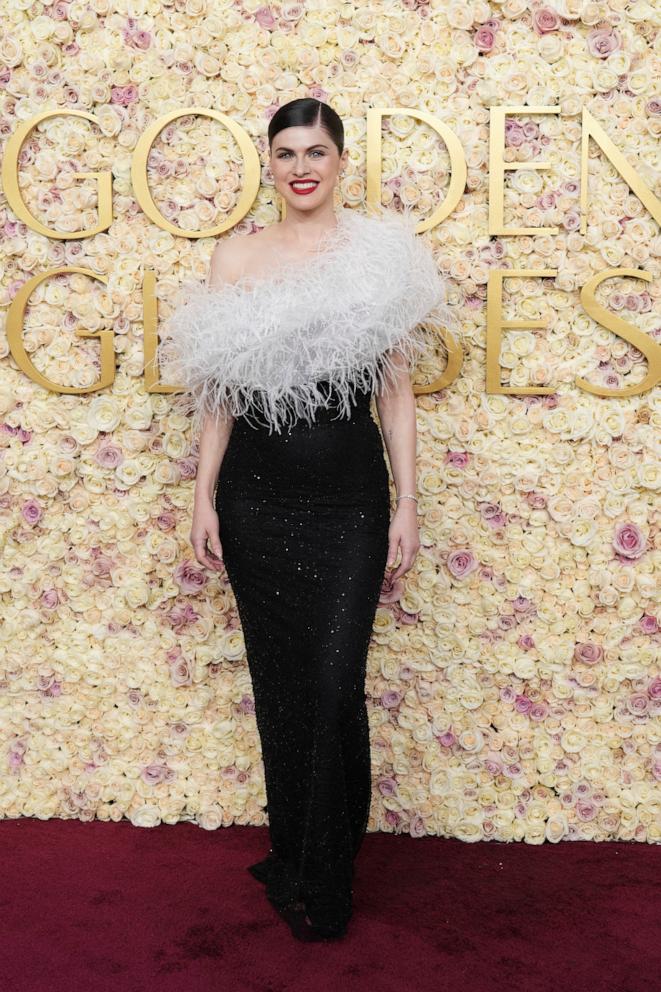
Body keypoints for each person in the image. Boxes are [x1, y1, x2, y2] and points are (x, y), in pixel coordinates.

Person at [155, 97, 458, 941]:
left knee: (331, 688)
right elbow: (218, 391)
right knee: (281, 689)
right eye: (286, 152)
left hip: (348, 501)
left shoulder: (375, 259)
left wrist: (409, 504)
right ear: (269, 162)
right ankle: (294, 853)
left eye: (315, 152)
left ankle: (326, 877)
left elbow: (394, 393)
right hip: (254, 498)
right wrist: (202, 493)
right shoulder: (236, 257)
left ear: (339, 161)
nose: (301, 167)